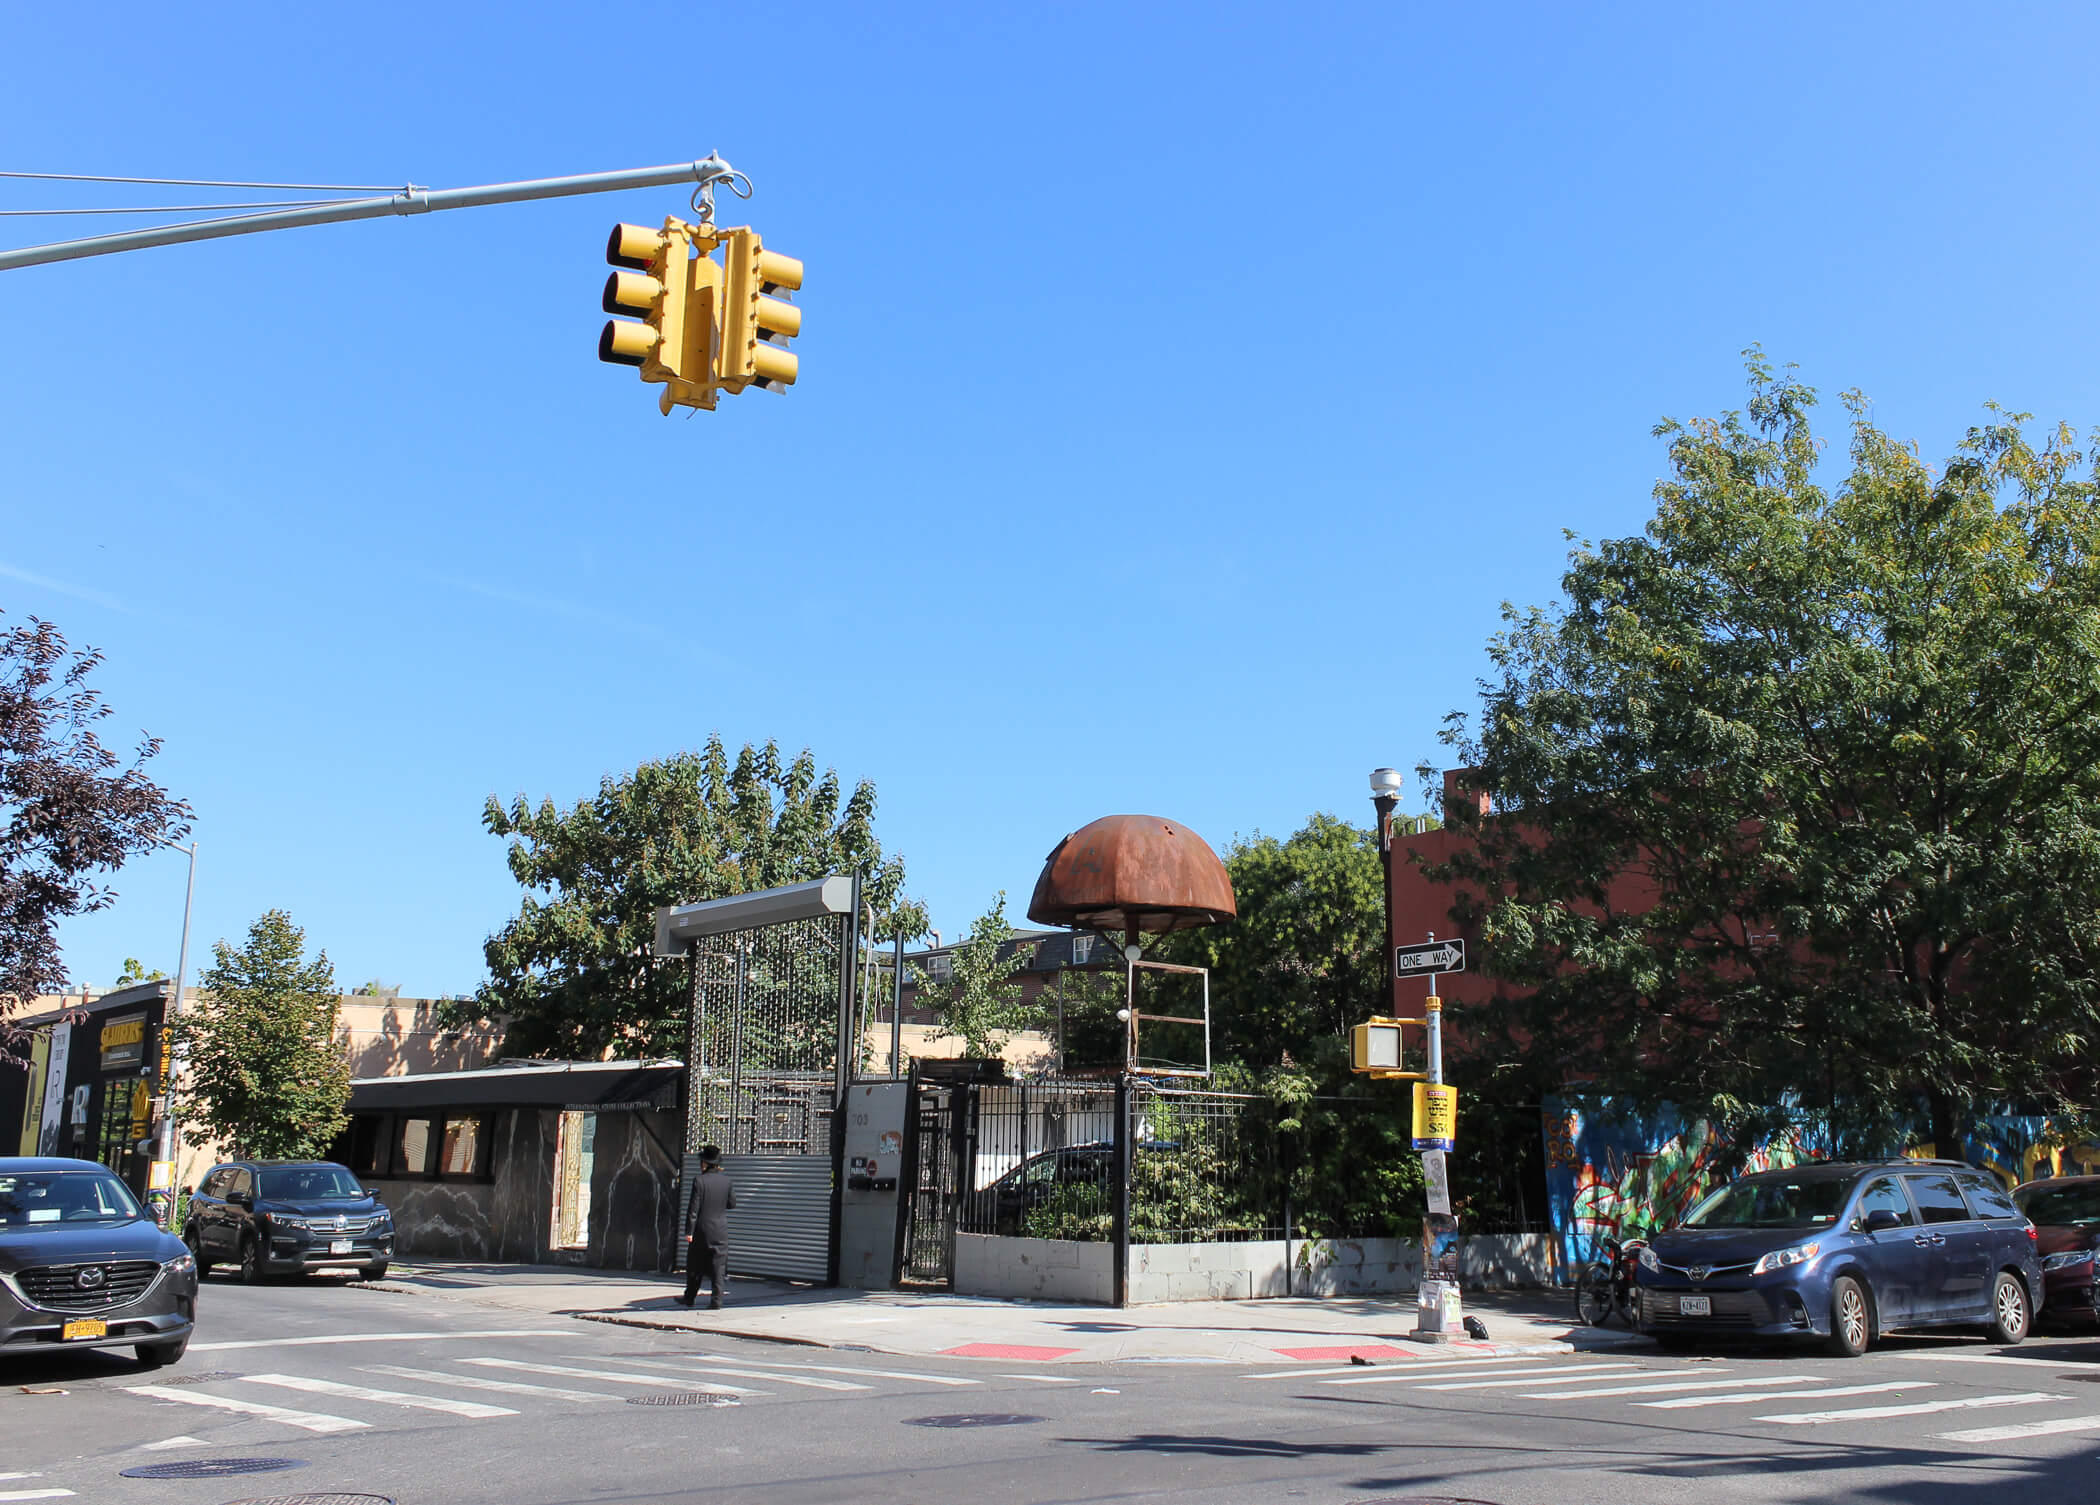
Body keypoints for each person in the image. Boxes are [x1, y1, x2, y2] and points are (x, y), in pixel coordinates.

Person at [678, 1145, 736, 1309]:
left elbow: (693, 1209)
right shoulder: (727, 1181)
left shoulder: (699, 1181)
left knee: (695, 1265)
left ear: (704, 1163)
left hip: (702, 1231)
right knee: (719, 1267)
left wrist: (689, 1231)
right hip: (720, 1231)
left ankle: (689, 1298)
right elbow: (732, 1204)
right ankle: (716, 1301)